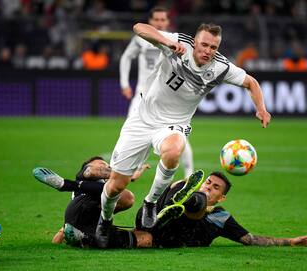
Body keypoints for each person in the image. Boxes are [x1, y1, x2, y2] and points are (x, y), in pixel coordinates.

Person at [99, 21, 272, 247]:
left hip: (174, 124)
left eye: (213, 47)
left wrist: (261, 108)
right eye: (204, 45)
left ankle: (151, 203)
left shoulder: (221, 67)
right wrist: (167, 42)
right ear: (195, 41)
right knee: (116, 186)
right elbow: (139, 27)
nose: (207, 51)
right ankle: (105, 220)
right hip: (142, 120)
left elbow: (251, 83)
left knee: (173, 151)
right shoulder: (178, 43)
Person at [33, 162, 307, 249]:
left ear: (223, 198)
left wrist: (289, 241)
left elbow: (251, 239)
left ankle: (84, 239)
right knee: (185, 194)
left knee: (138, 239)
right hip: (156, 221)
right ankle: (167, 202)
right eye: (208, 183)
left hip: (159, 237)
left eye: (215, 188)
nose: (210, 186)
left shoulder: (221, 217)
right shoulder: (201, 194)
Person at [119, 6, 194, 178]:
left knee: (177, 137)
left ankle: (189, 175)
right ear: (150, 21)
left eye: (163, 20)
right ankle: (129, 169)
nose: (159, 22)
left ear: (168, 22)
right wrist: (124, 84)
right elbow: (126, 57)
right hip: (141, 95)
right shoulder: (141, 39)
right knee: (131, 133)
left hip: (164, 97)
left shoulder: (176, 41)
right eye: (156, 20)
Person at [32, 156, 150, 244]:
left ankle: (84, 238)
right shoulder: (85, 174)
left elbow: (63, 231)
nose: (106, 165)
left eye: (107, 164)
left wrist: (57, 241)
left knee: (146, 239)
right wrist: (123, 173)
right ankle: (65, 184)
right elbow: (91, 171)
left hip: (87, 223)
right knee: (126, 196)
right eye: (101, 163)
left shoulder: (107, 187)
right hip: (83, 205)